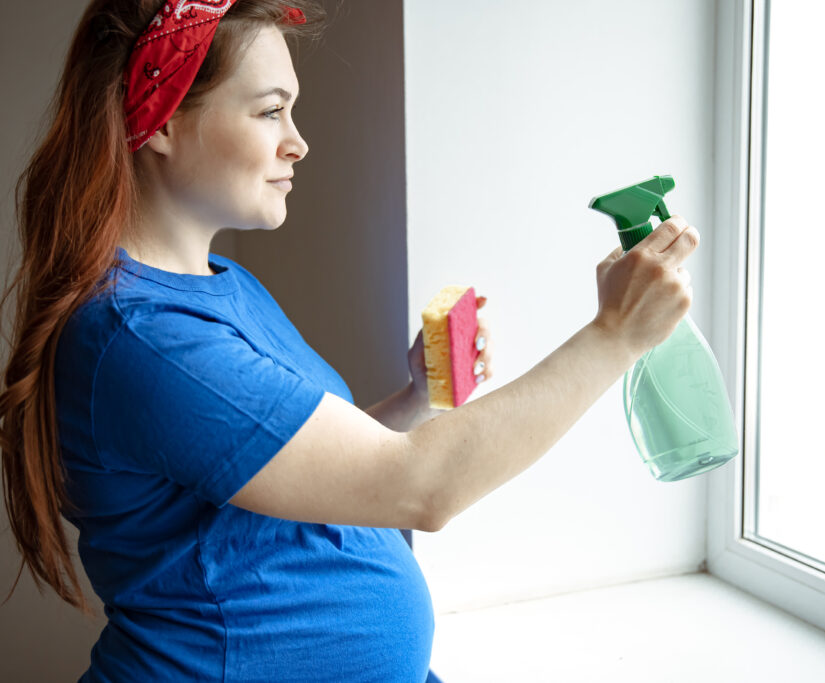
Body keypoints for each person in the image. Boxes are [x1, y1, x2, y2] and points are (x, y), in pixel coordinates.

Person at [0, 0, 700, 680]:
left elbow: (282, 473)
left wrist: (413, 401)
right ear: (160, 120)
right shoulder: (142, 340)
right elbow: (420, 486)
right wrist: (614, 337)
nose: (297, 141)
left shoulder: (225, 285)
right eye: (270, 110)